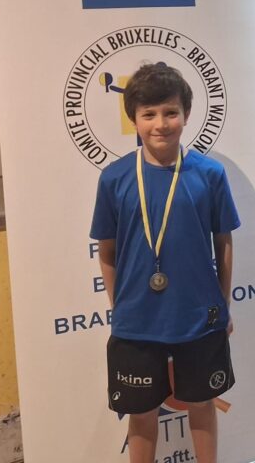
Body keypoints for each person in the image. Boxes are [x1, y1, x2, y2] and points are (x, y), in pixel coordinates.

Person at [91, 63, 240, 463]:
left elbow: (224, 243)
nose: (161, 124)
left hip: (199, 316)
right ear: (134, 120)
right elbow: (107, 252)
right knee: (141, 414)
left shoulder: (210, 174)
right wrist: (119, 306)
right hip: (136, 321)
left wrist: (223, 305)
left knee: (202, 405)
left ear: (186, 115)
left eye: (171, 112)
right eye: (149, 114)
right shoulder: (114, 179)